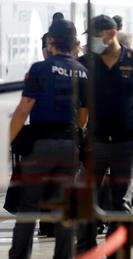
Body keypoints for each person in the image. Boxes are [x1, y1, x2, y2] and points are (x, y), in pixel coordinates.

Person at [77, 15, 133, 252]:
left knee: (120, 203)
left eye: (94, 37)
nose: (91, 42)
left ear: (111, 34)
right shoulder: (85, 63)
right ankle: (86, 250)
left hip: (128, 144)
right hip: (96, 142)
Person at [9, 19, 88, 259]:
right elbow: (84, 115)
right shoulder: (82, 71)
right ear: (74, 42)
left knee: (29, 207)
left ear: (51, 41)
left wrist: (8, 139)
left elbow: (24, 109)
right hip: (69, 145)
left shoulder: (39, 69)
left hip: (41, 146)